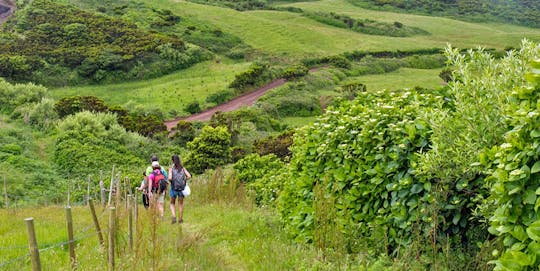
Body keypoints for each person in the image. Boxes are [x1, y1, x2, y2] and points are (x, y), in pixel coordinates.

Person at [169, 154, 191, 224]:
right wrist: (184, 180)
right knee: (180, 204)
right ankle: (181, 219)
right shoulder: (182, 168)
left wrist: (171, 181)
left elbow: (169, 178)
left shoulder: (171, 169)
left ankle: (174, 217)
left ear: (172, 161)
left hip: (174, 188)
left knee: (172, 203)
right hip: (182, 188)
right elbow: (189, 176)